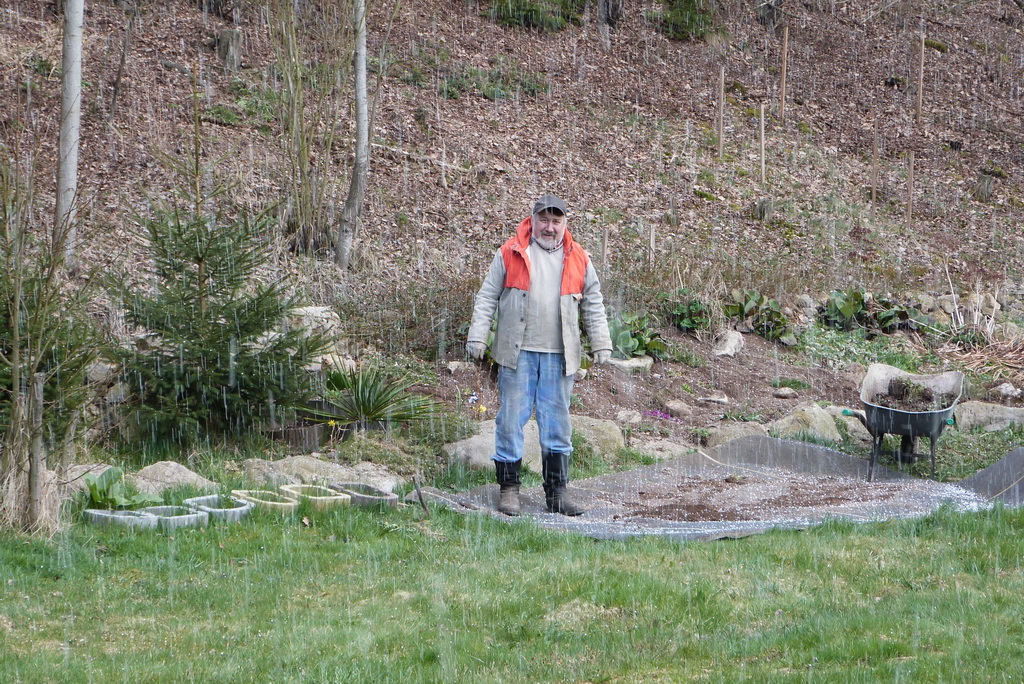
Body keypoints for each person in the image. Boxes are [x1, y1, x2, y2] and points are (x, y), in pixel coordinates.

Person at [466, 195, 612, 517]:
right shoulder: (510, 252)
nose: (549, 227)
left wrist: (601, 341)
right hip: (516, 353)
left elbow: (593, 302)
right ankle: (509, 490)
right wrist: (477, 335)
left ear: (565, 224)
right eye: (544, 220)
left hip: (560, 356)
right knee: (510, 420)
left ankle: (557, 493)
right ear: (532, 220)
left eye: (556, 221)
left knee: (557, 424)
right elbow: (487, 296)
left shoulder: (579, 257)